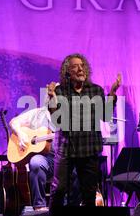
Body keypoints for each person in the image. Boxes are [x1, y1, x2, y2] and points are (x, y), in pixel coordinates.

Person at [47, 53, 121, 207]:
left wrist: (112, 94)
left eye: (82, 66)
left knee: (89, 193)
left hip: (89, 149)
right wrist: (52, 97)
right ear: (67, 71)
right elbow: (57, 120)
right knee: (59, 189)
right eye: (75, 66)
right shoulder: (60, 91)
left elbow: (106, 116)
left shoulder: (96, 90)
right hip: (66, 149)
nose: (80, 69)